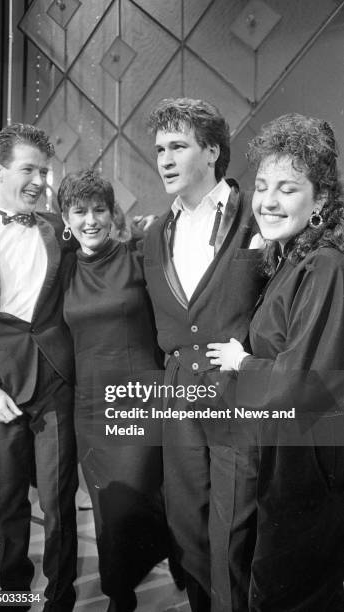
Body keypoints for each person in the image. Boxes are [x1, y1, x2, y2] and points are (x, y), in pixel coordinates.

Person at [207, 113, 344, 610]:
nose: (267, 200)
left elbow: (301, 383)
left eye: (288, 188)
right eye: (262, 185)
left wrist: (243, 366)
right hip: (285, 453)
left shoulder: (324, 264)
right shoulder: (292, 259)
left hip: (308, 463)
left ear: (321, 201)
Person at [143, 98, 266, 612]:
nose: (165, 159)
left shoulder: (256, 216)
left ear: (212, 150)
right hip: (178, 393)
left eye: (178, 146)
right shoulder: (152, 234)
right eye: (159, 150)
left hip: (235, 390)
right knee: (186, 522)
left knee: (233, 527)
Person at [0, 124, 78, 611]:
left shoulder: (61, 228)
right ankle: (13, 595)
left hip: (55, 378)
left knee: (59, 503)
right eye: (28, 169)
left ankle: (61, 598)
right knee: (11, 502)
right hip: (2, 388)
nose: (40, 179)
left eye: (44, 170)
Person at [58, 169, 171, 612]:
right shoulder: (63, 270)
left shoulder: (137, 256)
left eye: (99, 209)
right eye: (80, 211)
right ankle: (119, 595)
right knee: (106, 508)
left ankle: (172, 555)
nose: (91, 220)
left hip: (141, 399)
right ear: (66, 219)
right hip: (90, 407)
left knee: (144, 499)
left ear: (112, 214)